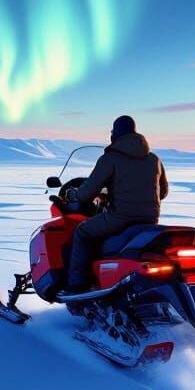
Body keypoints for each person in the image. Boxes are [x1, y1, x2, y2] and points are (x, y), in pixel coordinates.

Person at [64, 115, 168, 293]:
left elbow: (87, 192)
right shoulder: (153, 159)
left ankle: (77, 285)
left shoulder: (110, 158)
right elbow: (163, 191)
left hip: (120, 218)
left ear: (115, 134)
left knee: (82, 231)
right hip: (150, 220)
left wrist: (74, 194)